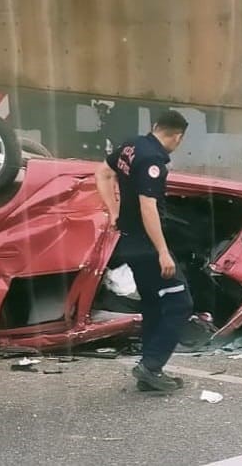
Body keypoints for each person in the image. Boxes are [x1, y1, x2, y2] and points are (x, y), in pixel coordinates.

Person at [95, 110, 193, 392]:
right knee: (180, 304)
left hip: (129, 242)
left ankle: (150, 373)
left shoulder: (131, 145)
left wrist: (113, 212)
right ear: (177, 136)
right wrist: (163, 251)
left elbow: (102, 173)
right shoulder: (154, 160)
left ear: (154, 126)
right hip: (148, 245)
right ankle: (151, 366)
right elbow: (147, 206)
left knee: (153, 304)